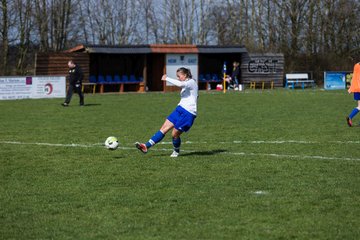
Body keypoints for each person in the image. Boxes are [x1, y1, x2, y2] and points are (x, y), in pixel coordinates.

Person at [135, 67, 198, 157]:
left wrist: (167, 78)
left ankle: (176, 151)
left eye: (179, 76)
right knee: (163, 128)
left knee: (174, 134)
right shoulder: (187, 84)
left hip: (188, 113)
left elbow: (180, 84)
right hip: (179, 109)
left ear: (185, 75)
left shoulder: (191, 82)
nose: (178, 78)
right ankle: (145, 146)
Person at [346, 62, 360, 127]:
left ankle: (350, 117)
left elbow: (354, 78)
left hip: (356, 89)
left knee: (359, 106)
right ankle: (350, 117)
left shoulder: (356, 65)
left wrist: (351, 88)